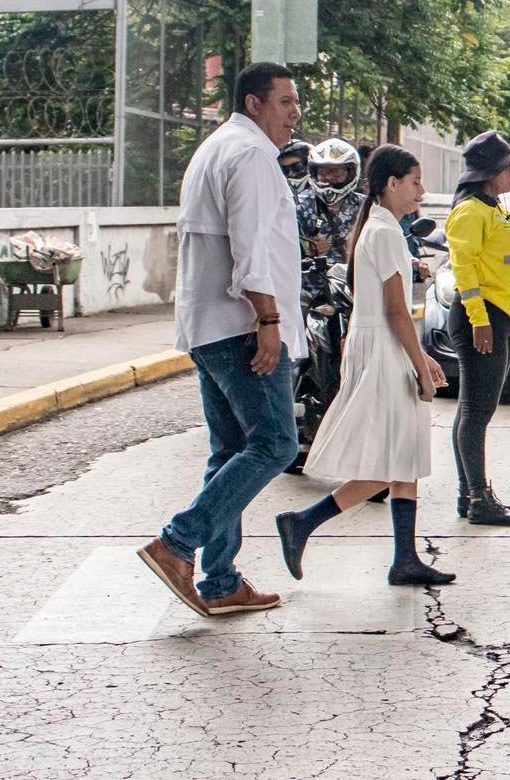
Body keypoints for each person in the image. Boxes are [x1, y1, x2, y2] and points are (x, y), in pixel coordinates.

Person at [137, 61, 305, 617]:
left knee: (231, 450)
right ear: (254, 103)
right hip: (240, 326)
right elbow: (250, 247)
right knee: (276, 444)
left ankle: (221, 579)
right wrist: (269, 321)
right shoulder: (251, 154)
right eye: (285, 102)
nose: (295, 113)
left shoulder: (218, 145)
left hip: (208, 325)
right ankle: (178, 543)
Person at [275, 145, 453, 586]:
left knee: (404, 456)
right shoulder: (387, 231)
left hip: (377, 341)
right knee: (389, 461)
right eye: (415, 183)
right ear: (391, 183)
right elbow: (397, 309)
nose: (421, 192)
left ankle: (405, 559)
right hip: (384, 347)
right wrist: (420, 364)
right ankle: (303, 522)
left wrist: (422, 356)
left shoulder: (376, 224)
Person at [445, 131, 510, 526]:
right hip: (482, 318)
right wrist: (482, 321)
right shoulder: (470, 212)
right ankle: (480, 497)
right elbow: (465, 271)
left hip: (500, 316)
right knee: (477, 411)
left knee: (473, 410)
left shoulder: (493, 206)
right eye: (509, 168)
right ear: (489, 173)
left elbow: (506, 268)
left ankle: (470, 495)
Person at [297, 138, 364, 297]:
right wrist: (305, 249)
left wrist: (413, 263)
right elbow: (279, 243)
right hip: (310, 293)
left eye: (336, 171)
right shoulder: (300, 205)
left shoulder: (365, 206)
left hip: (355, 292)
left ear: (350, 172)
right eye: (323, 171)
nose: (328, 177)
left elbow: (384, 240)